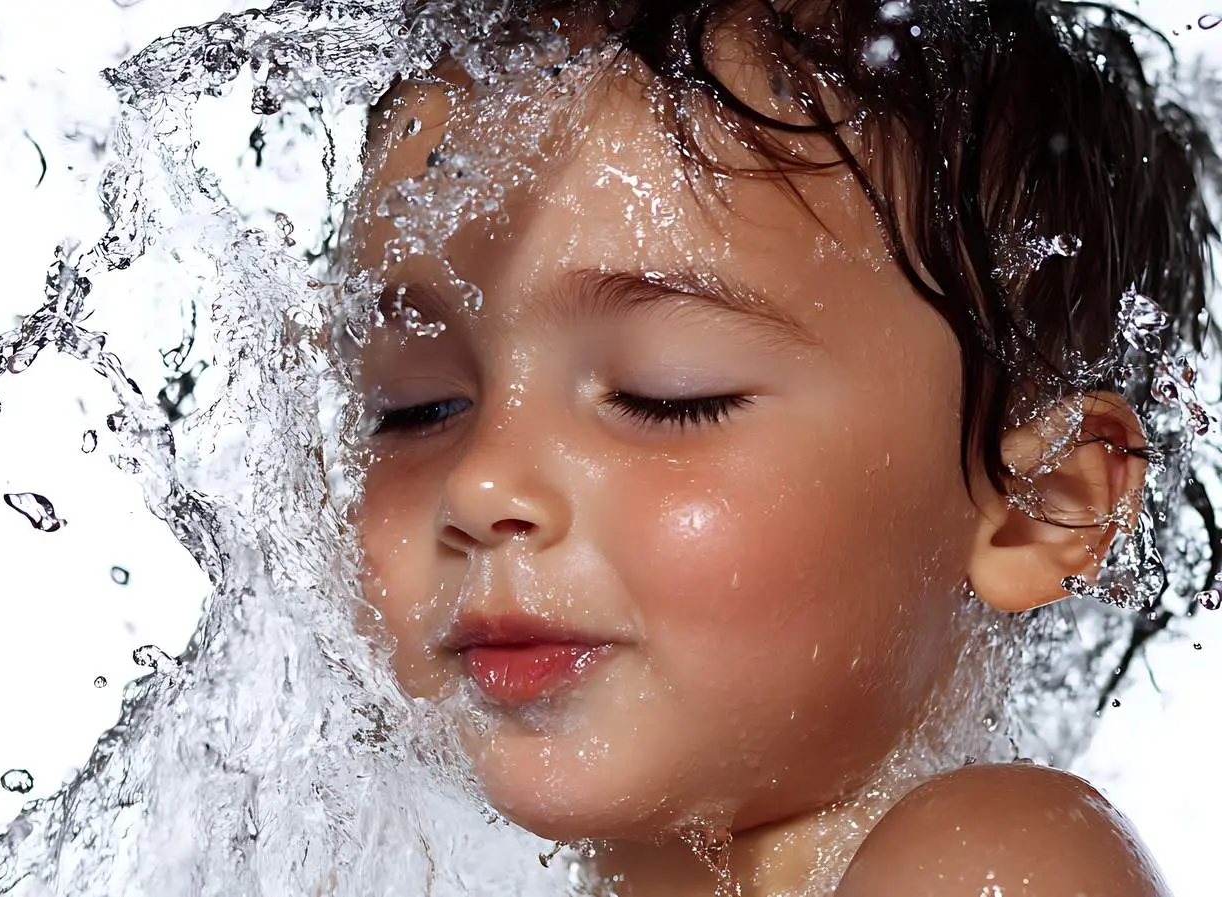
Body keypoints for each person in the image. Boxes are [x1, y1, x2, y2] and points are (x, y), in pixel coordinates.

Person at [341, 1, 1220, 894]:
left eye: (667, 396)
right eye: (414, 407)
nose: (480, 481)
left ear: (1035, 506)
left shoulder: (990, 857)